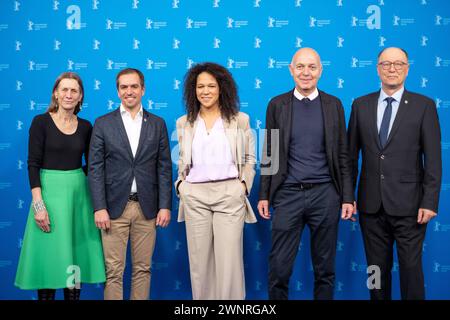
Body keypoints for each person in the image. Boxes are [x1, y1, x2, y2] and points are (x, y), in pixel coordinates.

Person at [257, 48, 354, 300]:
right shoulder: (277, 104)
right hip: (287, 194)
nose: (306, 72)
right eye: (300, 67)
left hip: (326, 195)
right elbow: (269, 152)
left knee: (325, 270)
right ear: (291, 70)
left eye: (312, 67)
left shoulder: (334, 105)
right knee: (279, 268)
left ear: (321, 70)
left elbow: (343, 155)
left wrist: (346, 197)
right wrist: (264, 195)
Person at [347, 47, 442, 300]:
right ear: (377, 68)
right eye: (386, 64)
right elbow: (349, 158)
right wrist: (348, 196)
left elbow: (433, 159)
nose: (392, 69)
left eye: (398, 64)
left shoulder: (424, 106)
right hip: (371, 207)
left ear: (407, 68)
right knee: (376, 271)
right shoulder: (360, 105)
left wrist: (430, 201)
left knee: (411, 271)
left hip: (411, 208)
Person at [15, 72, 106, 300]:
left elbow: (92, 165)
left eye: (73, 90)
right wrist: (38, 205)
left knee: (73, 260)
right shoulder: (41, 122)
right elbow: (33, 164)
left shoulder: (86, 126)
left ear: (80, 96)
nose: (68, 94)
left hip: (78, 200)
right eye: (64, 90)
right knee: (49, 260)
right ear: (55, 93)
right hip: (48, 198)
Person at [175, 62, 257, 300]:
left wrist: (242, 187)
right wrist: (181, 186)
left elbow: (250, 158)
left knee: (228, 262)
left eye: (211, 85)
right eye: (200, 86)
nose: (206, 91)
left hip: (229, 195)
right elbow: (183, 159)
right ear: (194, 90)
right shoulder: (184, 122)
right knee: (200, 264)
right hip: (195, 196)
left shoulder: (239, 120)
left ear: (222, 88)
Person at [88, 68, 172, 300]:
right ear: (117, 91)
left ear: (143, 89)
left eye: (134, 86)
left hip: (147, 209)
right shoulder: (103, 123)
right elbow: (95, 168)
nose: (129, 91)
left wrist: (165, 205)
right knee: (114, 272)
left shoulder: (157, 123)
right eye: (124, 87)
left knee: (143, 269)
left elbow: (164, 167)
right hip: (114, 209)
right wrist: (99, 207)